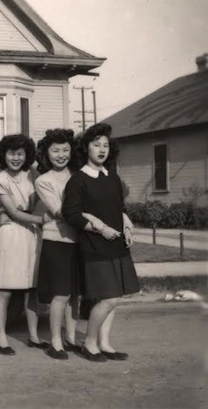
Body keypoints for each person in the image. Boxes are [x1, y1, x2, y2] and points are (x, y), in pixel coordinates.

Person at [63, 123, 139, 362]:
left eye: (106, 145)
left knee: (115, 297)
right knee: (109, 297)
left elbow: (119, 207)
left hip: (116, 243)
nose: (102, 149)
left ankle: (104, 344)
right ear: (86, 148)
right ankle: (89, 343)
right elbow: (72, 214)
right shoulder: (78, 180)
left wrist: (126, 224)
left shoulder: (112, 178)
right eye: (96, 145)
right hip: (94, 246)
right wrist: (101, 228)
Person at [34, 128, 101, 360]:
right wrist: (93, 218)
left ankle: (71, 339)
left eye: (65, 150)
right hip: (57, 240)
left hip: (80, 240)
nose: (61, 155)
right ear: (46, 153)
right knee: (61, 294)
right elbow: (61, 211)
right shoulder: (43, 181)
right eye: (55, 151)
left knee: (75, 294)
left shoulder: (79, 174)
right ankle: (55, 341)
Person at [0, 134, 48, 356]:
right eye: (11, 153)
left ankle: (33, 335)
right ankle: (2, 337)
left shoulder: (33, 174)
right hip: (11, 233)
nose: (16, 158)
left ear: (27, 155)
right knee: (4, 287)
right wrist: (43, 221)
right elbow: (13, 211)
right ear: (4, 155)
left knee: (31, 288)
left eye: (20, 153)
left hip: (31, 233)